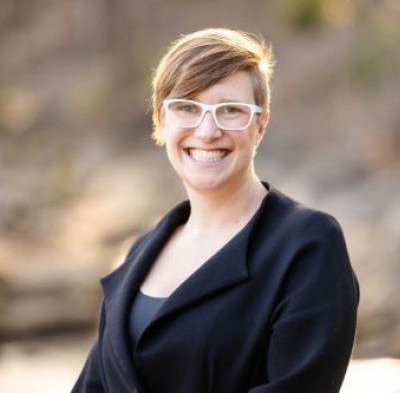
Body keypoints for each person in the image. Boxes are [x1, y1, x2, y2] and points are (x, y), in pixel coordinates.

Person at [72, 28, 359, 393]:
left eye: (230, 111)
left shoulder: (307, 246)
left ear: (260, 125)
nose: (207, 130)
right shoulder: (140, 252)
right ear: (162, 120)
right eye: (187, 108)